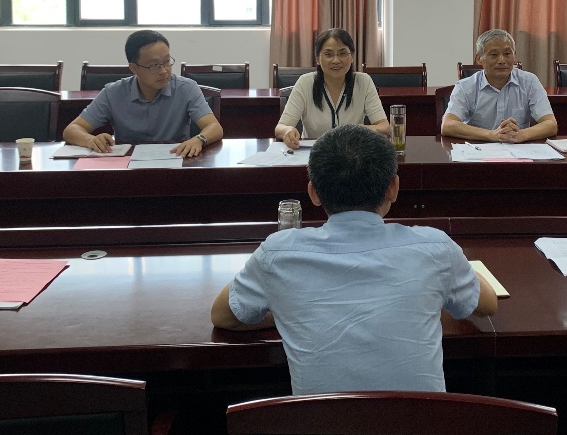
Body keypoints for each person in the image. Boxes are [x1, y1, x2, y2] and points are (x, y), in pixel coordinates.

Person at [210, 125, 497, 394]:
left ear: (313, 193)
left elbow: (223, 317)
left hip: (320, 422)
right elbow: (487, 304)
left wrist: (291, 306)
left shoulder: (277, 254)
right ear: (393, 188)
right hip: (419, 422)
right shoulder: (435, 248)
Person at [62, 30, 223, 158]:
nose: (163, 71)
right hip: (127, 167)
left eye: (167, 62)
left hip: (175, 162)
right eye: (154, 65)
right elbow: (72, 129)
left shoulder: (186, 88)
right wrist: (91, 140)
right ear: (134, 68)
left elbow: (214, 127)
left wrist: (199, 139)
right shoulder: (113, 93)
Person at [275, 28, 389, 149]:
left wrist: (359, 130)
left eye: (342, 53)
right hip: (315, 155)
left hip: (352, 154)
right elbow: (280, 128)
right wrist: (288, 130)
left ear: (351, 57)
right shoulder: (305, 83)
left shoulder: (363, 81)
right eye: (328, 54)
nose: (336, 60)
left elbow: (385, 127)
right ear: (317, 59)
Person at [441, 29, 558, 142]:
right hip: (479, 149)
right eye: (494, 54)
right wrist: (491, 135)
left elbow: (551, 124)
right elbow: (447, 125)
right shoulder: (465, 86)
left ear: (514, 55)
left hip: (517, 149)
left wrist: (521, 135)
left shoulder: (529, 81)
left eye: (507, 54)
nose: (502, 60)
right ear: (479, 59)